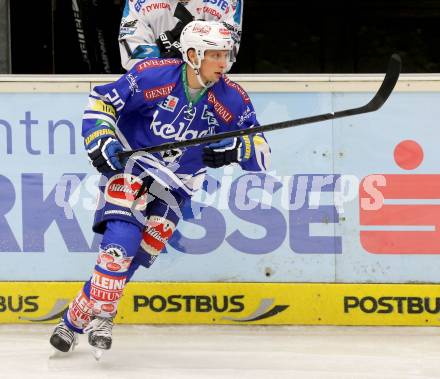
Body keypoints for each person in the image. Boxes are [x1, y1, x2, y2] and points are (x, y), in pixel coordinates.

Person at [49, 20, 270, 357]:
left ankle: (74, 319)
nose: (223, 63)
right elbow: (101, 101)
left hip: (177, 185)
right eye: (215, 55)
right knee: (119, 245)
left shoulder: (233, 98)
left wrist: (234, 151)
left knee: (139, 254)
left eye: (225, 55)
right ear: (193, 55)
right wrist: (100, 139)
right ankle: (104, 314)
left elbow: (261, 151)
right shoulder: (153, 75)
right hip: (132, 169)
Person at [119, 0, 243, 70]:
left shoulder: (228, 2)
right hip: (154, 92)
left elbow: (225, 60)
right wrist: (184, 53)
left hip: (207, 93)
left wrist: (168, 52)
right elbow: (133, 57)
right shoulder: (137, 2)